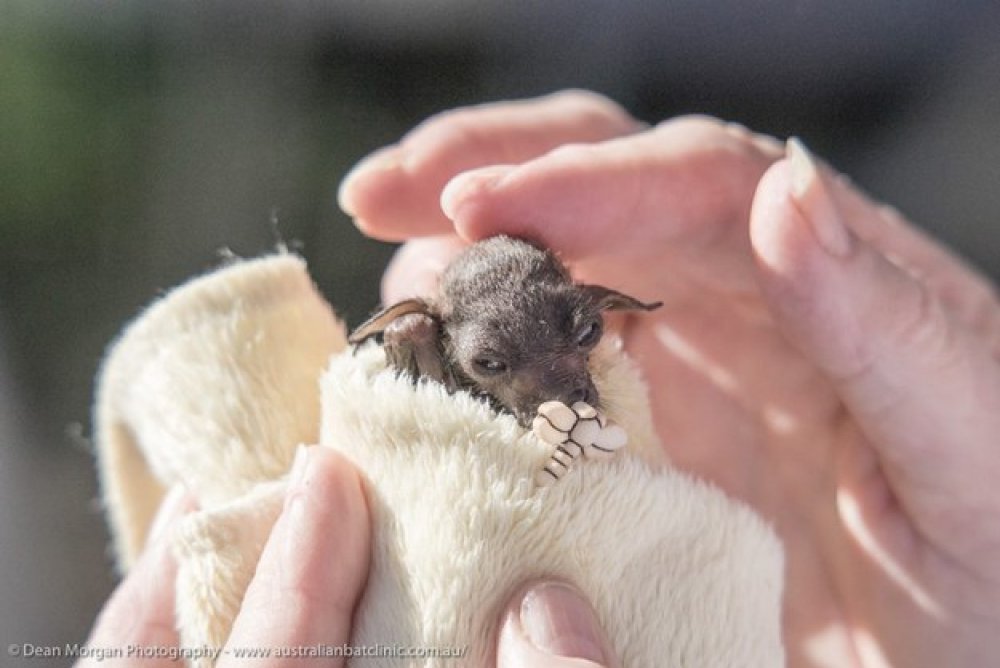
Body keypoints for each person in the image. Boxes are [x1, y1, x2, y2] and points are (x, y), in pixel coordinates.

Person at [80, 91, 999, 667]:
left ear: (601, 305)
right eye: (493, 365)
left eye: (582, 334)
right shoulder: (413, 351)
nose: (567, 384)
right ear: (423, 341)